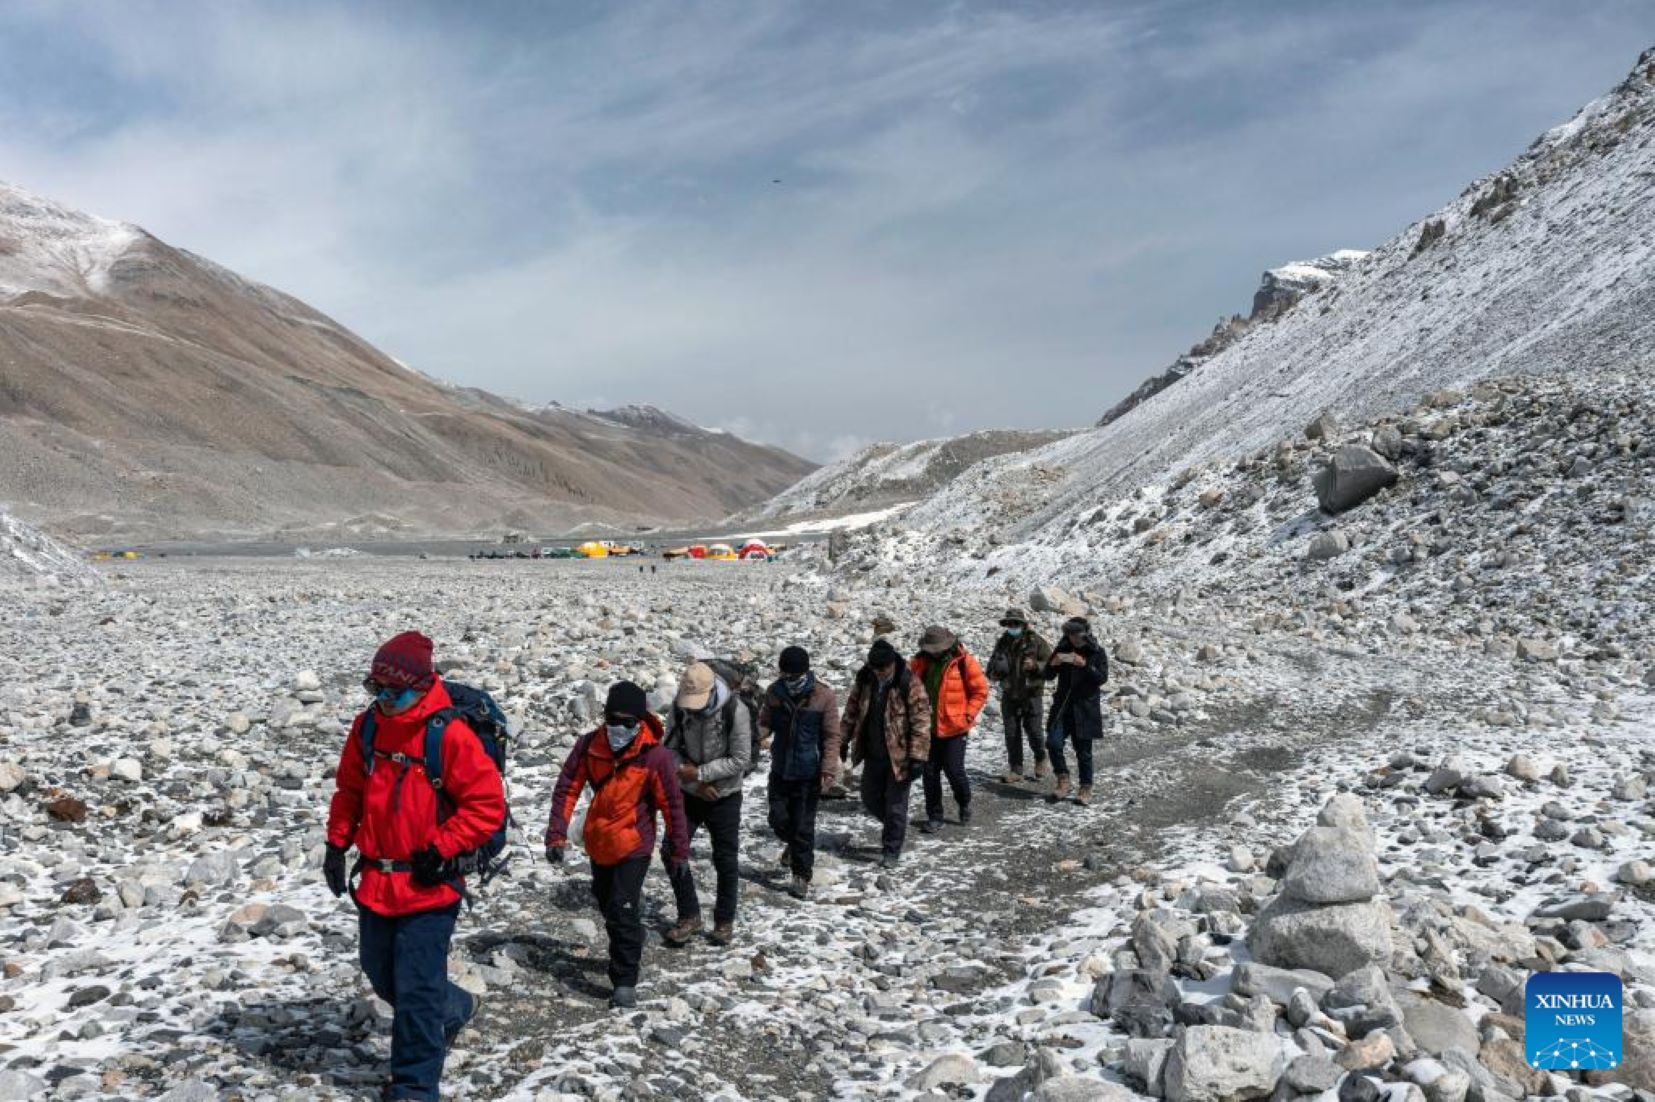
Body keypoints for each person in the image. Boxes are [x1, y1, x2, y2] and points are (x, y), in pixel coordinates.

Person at [324, 631, 505, 1102]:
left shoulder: (450, 735)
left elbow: (487, 806)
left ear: (422, 687)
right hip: (377, 880)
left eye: (394, 692)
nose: (384, 701)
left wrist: (442, 848)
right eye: (375, 689)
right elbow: (349, 790)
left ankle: (415, 1086)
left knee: (417, 990)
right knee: (382, 973)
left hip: (430, 883)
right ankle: (454, 1006)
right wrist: (336, 844)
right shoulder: (367, 728)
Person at [545, 681, 690, 1008]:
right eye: (612, 720)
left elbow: (673, 806)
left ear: (640, 720)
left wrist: (679, 849)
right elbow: (567, 787)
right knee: (609, 904)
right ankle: (628, 944)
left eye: (627, 722)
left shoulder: (655, 756)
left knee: (623, 908)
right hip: (599, 843)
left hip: (634, 846)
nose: (618, 728)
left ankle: (625, 981)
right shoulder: (588, 746)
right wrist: (556, 834)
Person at [661, 662, 752, 946]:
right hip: (688, 793)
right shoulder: (679, 707)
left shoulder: (735, 710)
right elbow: (669, 751)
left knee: (725, 859)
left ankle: (724, 921)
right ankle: (689, 914)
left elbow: (741, 759)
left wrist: (702, 774)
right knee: (672, 850)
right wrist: (694, 783)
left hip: (725, 795)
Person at [757, 646, 841, 900]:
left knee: (803, 827)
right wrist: (751, 738)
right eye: (784, 675)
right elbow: (765, 723)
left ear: (804, 672)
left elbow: (831, 736)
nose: (788, 680)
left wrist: (828, 769)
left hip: (808, 773)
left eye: (792, 676)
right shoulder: (774, 692)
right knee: (778, 819)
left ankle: (801, 875)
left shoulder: (823, 696)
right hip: (780, 769)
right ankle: (793, 847)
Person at [841, 639, 932, 868]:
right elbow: (851, 711)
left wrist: (918, 757)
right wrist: (842, 740)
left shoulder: (909, 683)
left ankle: (892, 848)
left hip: (899, 756)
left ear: (892, 664)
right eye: (875, 668)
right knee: (869, 798)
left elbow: (921, 722)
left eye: (883, 668)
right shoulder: (865, 680)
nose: (879, 673)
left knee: (895, 805)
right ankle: (895, 826)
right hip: (873, 753)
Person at [910, 625, 989, 833]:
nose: (933, 651)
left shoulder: (963, 662)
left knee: (954, 771)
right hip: (928, 728)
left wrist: (968, 715)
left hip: (955, 728)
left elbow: (980, 690)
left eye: (936, 648)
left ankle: (964, 803)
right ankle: (935, 816)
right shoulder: (920, 662)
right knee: (930, 773)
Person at [1044, 616, 1109, 806]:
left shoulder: (1096, 651)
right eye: (1070, 633)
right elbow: (1047, 676)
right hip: (1063, 707)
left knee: (1083, 751)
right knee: (1053, 743)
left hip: (1085, 709)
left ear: (1085, 633)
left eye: (1076, 633)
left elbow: (1102, 678)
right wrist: (1052, 664)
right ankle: (1063, 780)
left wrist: (1085, 665)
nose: (1073, 637)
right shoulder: (1062, 648)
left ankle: (1085, 787)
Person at [986, 607, 1054, 784]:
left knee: (1034, 731)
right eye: (1009, 623)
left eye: (1015, 623)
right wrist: (992, 673)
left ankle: (1040, 757)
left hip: (1032, 694)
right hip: (1009, 694)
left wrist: (1036, 666)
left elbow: (1052, 667)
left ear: (1023, 625)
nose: (1012, 626)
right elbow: (991, 665)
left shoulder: (1037, 642)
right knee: (1011, 733)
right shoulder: (1002, 643)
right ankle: (1016, 770)